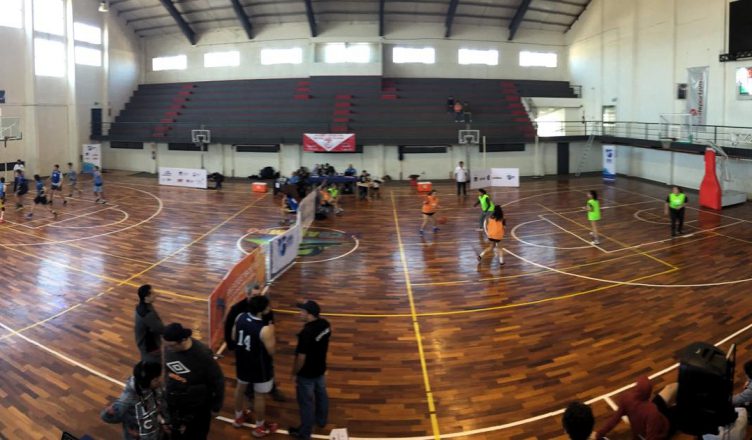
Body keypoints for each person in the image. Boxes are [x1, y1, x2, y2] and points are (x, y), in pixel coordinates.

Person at [224, 283, 285, 403]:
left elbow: (270, 323)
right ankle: (250, 394)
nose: (257, 297)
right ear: (247, 294)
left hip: (261, 348)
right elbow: (229, 327)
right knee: (247, 373)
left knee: (268, 368)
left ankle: (272, 389)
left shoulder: (263, 306)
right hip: (246, 349)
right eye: (254, 295)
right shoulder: (237, 309)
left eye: (259, 294)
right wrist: (231, 345)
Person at [162, 323, 224, 440]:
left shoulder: (203, 355)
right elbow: (168, 369)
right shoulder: (169, 347)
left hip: (199, 405)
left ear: (183, 340)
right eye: (166, 345)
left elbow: (218, 381)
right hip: (176, 402)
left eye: (171, 346)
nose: (168, 348)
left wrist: (216, 407)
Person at [232, 295, 279, 437]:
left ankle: (238, 418)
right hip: (260, 368)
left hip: (242, 362)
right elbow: (272, 351)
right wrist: (272, 332)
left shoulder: (240, 317)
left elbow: (234, 336)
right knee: (259, 396)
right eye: (267, 306)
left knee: (240, 389)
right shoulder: (265, 329)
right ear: (261, 310)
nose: (269, 307)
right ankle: (260, 427)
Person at [288, 300, 331, 440]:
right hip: (320, 368)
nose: (300, 313)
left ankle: (304, 433)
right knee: (322, 395)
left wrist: (294, 373)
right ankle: (321, 420)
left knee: (306, 403)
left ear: (310, 314)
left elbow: (301, 358)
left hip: (306, 374)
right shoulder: (325, 325)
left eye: (303, 311)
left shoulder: (306, 333)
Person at [101, 361, 169, 440]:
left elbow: (160, 403)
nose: (162, 378)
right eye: (161, 376)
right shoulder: (127, 399)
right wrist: (129, 423)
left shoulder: (155, 387)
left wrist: (164, 421)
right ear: (154, 380)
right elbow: (106, 417)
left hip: (156, 431)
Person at [594, 376, 677, 440]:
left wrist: (599, 433)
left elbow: (614, 420)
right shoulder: (651, 411)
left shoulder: (626, 399)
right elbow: (652, 437)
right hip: (662, 427)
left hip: (652, 421)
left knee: (671, 388)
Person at [134, 284, 165, 364]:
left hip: (144, 343)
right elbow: (160, 329)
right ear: (146, 297)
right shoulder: (147, 314)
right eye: (153, 293)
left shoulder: (140, 306)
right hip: (151, 346)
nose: (155, 294)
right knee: (154, 364)